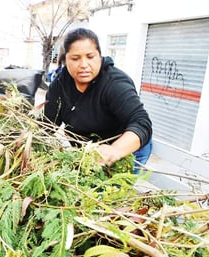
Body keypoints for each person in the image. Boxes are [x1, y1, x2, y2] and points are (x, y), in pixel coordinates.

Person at [43, 28, 152, 172]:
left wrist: (115, 151)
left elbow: (141, 123)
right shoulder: (60, 85)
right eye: (75, 58)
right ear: (64, 60)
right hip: (89, 154)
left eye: (90, 57)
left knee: (113, 191)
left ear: (100, 56)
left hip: (126, 150)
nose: (83, 64)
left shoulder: (114, 83)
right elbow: (48, 124)